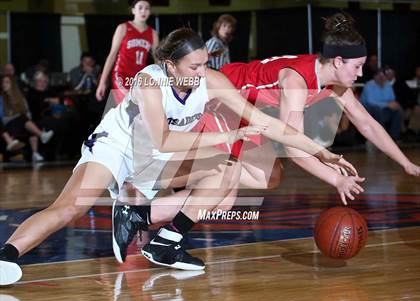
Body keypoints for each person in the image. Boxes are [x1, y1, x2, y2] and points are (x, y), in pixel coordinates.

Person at [0, 27, 354, 285]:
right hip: (119, 146)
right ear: (170, 65)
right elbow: (165, 140)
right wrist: (228, 135)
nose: (202, 74)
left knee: (228, 172)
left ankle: (167, 241)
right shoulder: (149, 82)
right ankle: (6, 257)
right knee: (70, 208)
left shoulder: (210, 80)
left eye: (204, 65)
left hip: (155, 157)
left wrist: (324, 153)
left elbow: (268, 124)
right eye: (193, 67)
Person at [198, 12, 419, 204]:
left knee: (270, 177)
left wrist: (406, 163)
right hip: (222, 99)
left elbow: (367, 124)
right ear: (339, 62)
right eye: (358, 66)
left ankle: (200, 171)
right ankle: (193, 167)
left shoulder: (333, 82)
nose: (361, 74)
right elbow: (293, 149)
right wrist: (336, 180)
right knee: (220, 202)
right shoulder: (297, 82)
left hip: (247, 111)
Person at [96, 0, 159, 104]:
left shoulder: (153, 33)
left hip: (139, 77)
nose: (143, 11)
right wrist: (102, 82)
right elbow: (112, 55)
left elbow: (157, 60)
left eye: (147, 8)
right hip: (121, 74)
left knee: (140, 111)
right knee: (130, 104)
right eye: (140, 8)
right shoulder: (123, 28)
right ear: (133, 10)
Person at [1, 75, 53, 161]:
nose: (4, 84)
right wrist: (18, 116)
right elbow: (3, 118)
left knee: (28, 124)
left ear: (12, 84)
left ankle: (35, 153)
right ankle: (41, 135)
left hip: (20, 124)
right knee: (23, 119)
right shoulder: (1, 98)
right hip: (7, 125)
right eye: (3, 82)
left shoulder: (19, 97)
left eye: (7, 82)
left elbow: (27, 111)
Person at [360, 68, 402, 141]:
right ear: (374, 77)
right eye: (379, 76)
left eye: (383, 76)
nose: (381, 78)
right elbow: (371, 102)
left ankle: (394, 137)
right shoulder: (369, 85)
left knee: (398, 109)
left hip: (384, 109)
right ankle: (382, 137)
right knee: (376, 109)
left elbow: (392, 99)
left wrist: (394, 104)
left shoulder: (388, 84)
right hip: (367, 110)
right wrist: (387, 105)